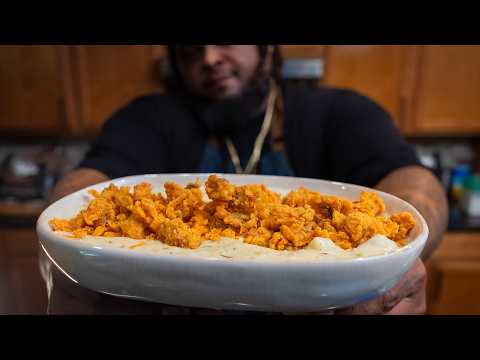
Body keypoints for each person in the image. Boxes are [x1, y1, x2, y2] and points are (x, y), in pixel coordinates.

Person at [43, 45, 448, 315]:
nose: (209, 56)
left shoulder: (338, 111)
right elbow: (85, 183)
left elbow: (414, 181)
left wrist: (406, 252)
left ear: (265, 48)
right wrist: (67, 257)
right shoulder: (150, 117)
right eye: (190, 48)